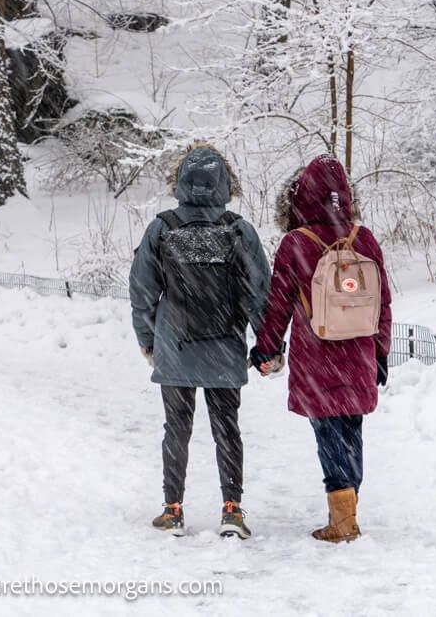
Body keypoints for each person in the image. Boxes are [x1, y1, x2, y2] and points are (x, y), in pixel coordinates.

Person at [130, 144, 271, 538]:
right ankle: (232, 510)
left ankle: (173, 510)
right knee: (227, 428)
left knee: (176, 429)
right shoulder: (238, 230)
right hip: (224, 347)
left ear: (181, 183)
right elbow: (258, 292)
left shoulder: (162, 228)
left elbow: (142, 292)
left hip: (174, 347)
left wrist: (148, 342)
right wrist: (268, 345)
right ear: (225, 184)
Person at [250, 155, 392, 543]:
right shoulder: (364, 239)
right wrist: (381, 351)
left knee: (327, 432)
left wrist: (265, 347)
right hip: (359, 353)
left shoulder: (296, 243)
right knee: (352, 428)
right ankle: (350, 505)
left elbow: (278, 303)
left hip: (317, 356)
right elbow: (383, 301)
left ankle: (343, 521)